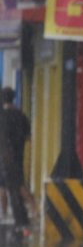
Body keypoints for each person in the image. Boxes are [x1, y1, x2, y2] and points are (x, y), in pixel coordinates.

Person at [0, 87, 31, 233]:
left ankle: (11, 217)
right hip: (19, 157)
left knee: (7, 187)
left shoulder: (2, 117)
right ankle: (32, 211)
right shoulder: (21, 116)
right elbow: (28, 136)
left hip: (5, 158)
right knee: (18, 185)